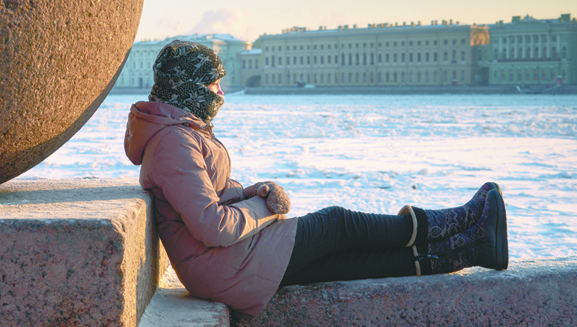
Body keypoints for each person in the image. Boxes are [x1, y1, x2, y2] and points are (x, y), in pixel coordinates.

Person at [124, 40, 508, 320]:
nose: (221, 93)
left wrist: (251, 191)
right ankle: (456, 221)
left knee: (347, 261)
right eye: (213, 84)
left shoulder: (178, 129)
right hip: (225, 264)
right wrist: (264, 206)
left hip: (229, 261)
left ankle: (473, 248)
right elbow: (212, 226)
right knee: (337, 224)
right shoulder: (174, 139)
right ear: (188, 85)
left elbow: (207, 196)